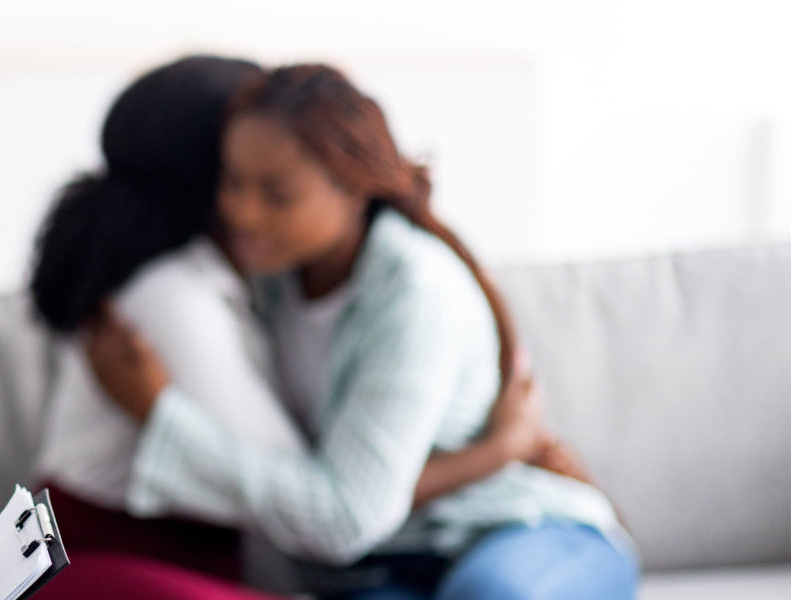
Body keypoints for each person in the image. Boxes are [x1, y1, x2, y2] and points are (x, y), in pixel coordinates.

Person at [81, 64, 638, 599]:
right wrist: (496, 449)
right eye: (232, 183)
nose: (243, 214)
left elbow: (347, 512)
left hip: (517, 530)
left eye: (277, 194)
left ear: (353, 189)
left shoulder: (416, 291)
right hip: (385, 564)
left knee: (485, 593)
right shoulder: (269, 279)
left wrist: (160, 417)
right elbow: (349, 502)